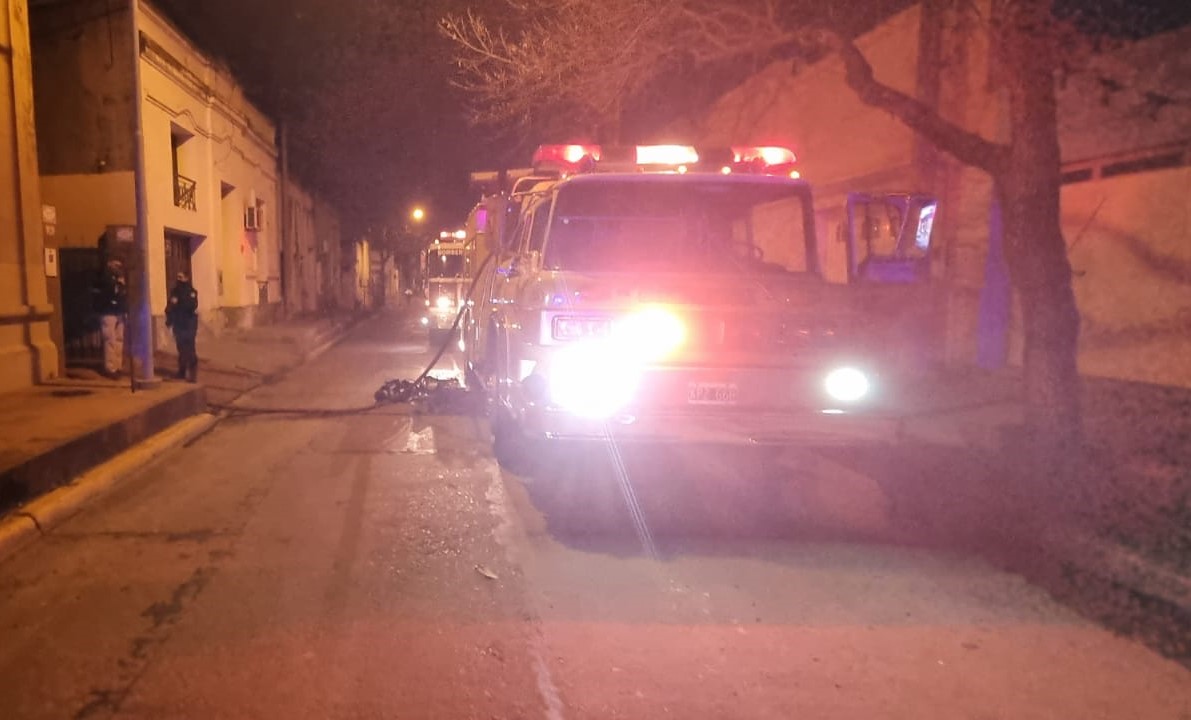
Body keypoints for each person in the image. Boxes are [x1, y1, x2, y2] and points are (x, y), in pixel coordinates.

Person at [92, 257, 128, 379]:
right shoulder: (104, 277)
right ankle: (110, 368)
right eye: (116, 264)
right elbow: (107, 292)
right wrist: (117, 284)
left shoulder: (120, 278)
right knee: (110, 339)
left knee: (119, 339)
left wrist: (125, 309)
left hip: (119, 312)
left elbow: (123, 296)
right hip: (108, 311)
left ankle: (118, 366)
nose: (118, 266)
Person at [165, 271, 199, 382]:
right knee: (181, 348)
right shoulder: (175, 292)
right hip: (178, 323)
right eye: (177, 277)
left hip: (189, 324)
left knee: (190, 348)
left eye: (181, 277)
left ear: (186, 278)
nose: (178, 279)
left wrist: (178, 303)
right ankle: (182, 371)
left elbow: (191, 306)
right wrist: (169, 320)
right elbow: (170, 306)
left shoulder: (191, 291)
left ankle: (193, 374)